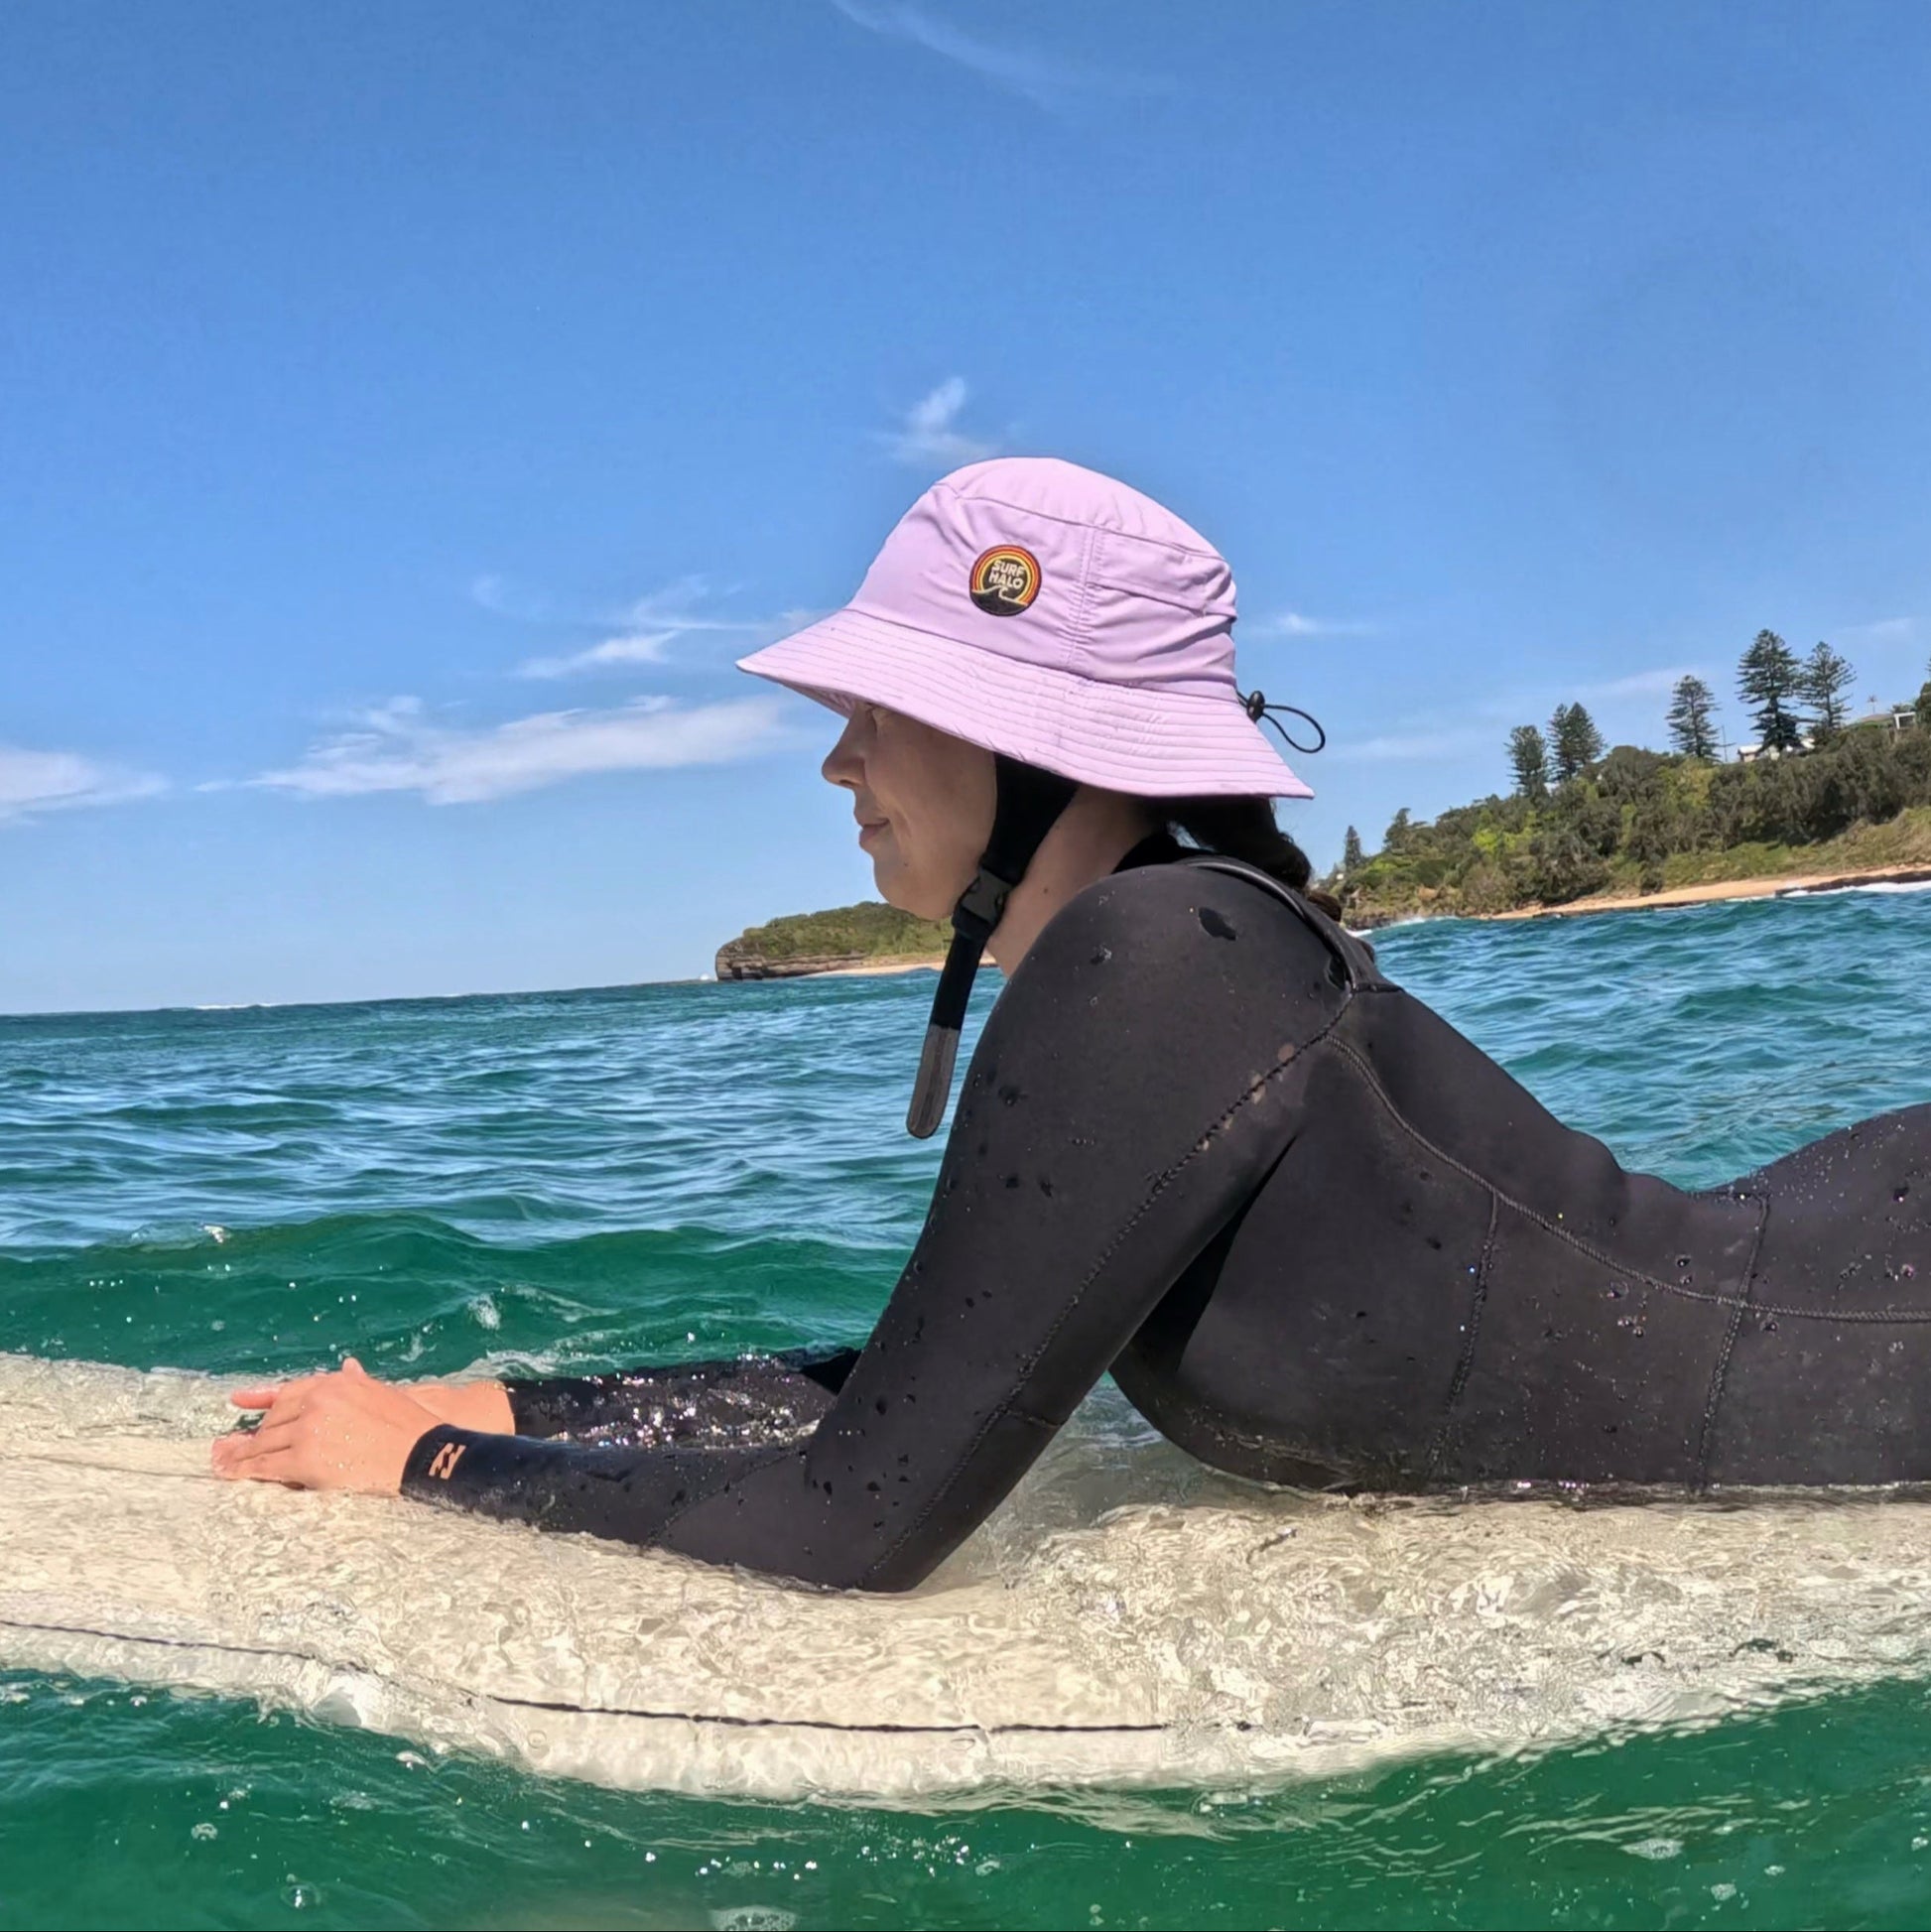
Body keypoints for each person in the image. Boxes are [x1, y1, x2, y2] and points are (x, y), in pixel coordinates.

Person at [213, 457, 1931, 1590]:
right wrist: (523, 1409)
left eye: (880, 709)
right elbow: (928, 1386)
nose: (838, 761)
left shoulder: (1158, 949)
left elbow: (861, 1521)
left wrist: (425, 1468)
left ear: (1033, 743)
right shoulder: (1167, 944)